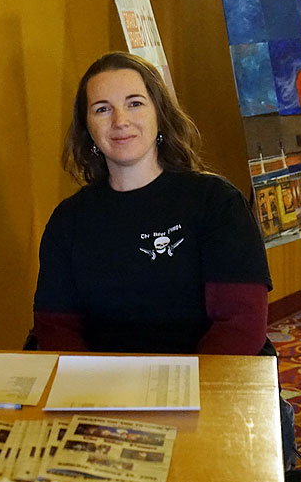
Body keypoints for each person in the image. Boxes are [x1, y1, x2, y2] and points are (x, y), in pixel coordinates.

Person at [30, 52, 271, 355]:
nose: (120, 121)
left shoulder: (217, 203)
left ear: (160, 114)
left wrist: (185, 384)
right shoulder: (68, 220)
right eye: (102, 109)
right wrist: (93, 381)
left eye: (135, 103)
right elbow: (55, 328)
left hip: (206, 377)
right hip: (103, 380)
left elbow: (241, 324)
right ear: (87, 127)